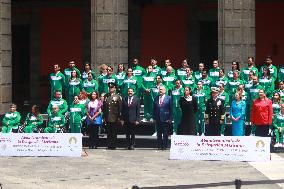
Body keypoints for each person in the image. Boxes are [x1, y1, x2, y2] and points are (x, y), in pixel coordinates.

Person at [103, 83, 122, 150]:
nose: (111, 89)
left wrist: (119, 117)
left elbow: (120, 107)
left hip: (114, 117)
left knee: (114, 132)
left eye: (112, 87)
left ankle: (113, 145)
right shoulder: (106, 96)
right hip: (107, 116)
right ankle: (109, 144)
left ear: (115, 88)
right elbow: (104, 107)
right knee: (108, 132)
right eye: (110, 88)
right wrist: (104, 117)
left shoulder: (117, 96)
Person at [153, 86, 172, 150]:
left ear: (165, 91)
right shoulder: (156, 98)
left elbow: (171, 109)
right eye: (159, 89)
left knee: (165, 133)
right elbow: (154, 108)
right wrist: (154, 117)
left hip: (166, 118)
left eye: (161, 89)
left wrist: (170, 118)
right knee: (159, 133)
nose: (160, 91)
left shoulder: (169, 98)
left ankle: (165, 146)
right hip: (158, 118)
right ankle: (159, 145)